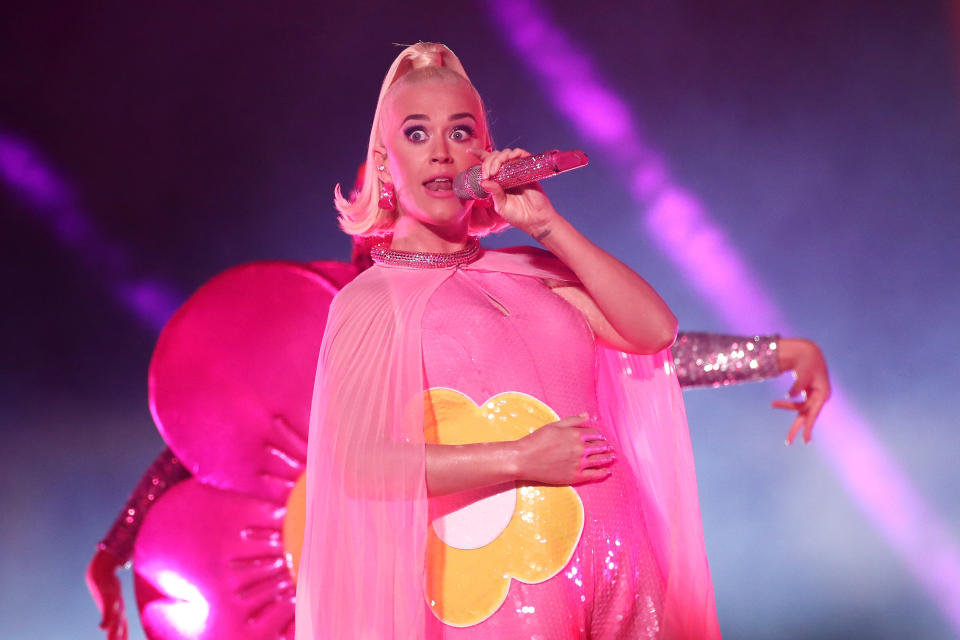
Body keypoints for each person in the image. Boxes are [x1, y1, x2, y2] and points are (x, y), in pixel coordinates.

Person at [86, 42, 831, 640]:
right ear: (385, 168)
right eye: (417, 135)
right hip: (502, 604)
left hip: (629, 584)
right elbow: (287, 449)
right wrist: (521, 457)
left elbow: (654, 338)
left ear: (485, 151)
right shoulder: (370, 303)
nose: (441, 153)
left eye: (460, 132)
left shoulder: (533, 269)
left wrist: (548, 226)